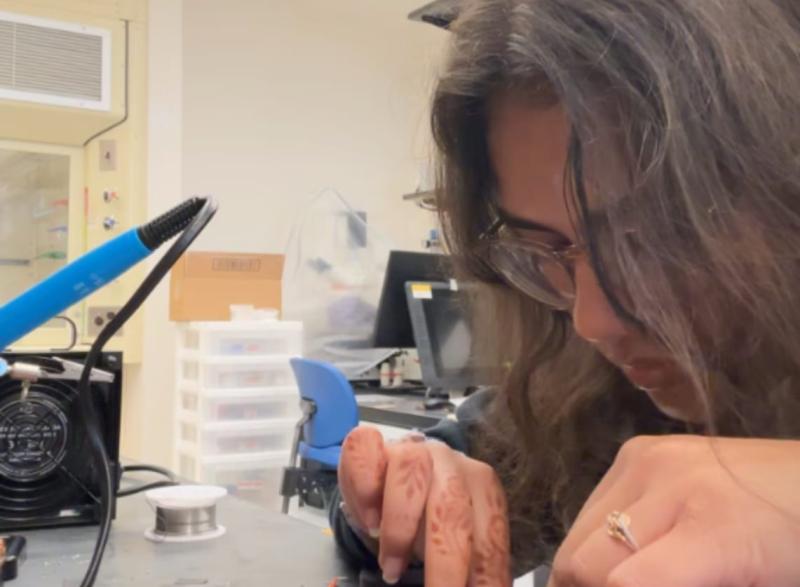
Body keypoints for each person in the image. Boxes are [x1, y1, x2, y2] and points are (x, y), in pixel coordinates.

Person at [332, 1, 800, 585]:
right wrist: (404, 495)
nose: (592, 320)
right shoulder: (582, 393)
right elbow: (450, 460)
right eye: (545, 251)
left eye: (652, 242)